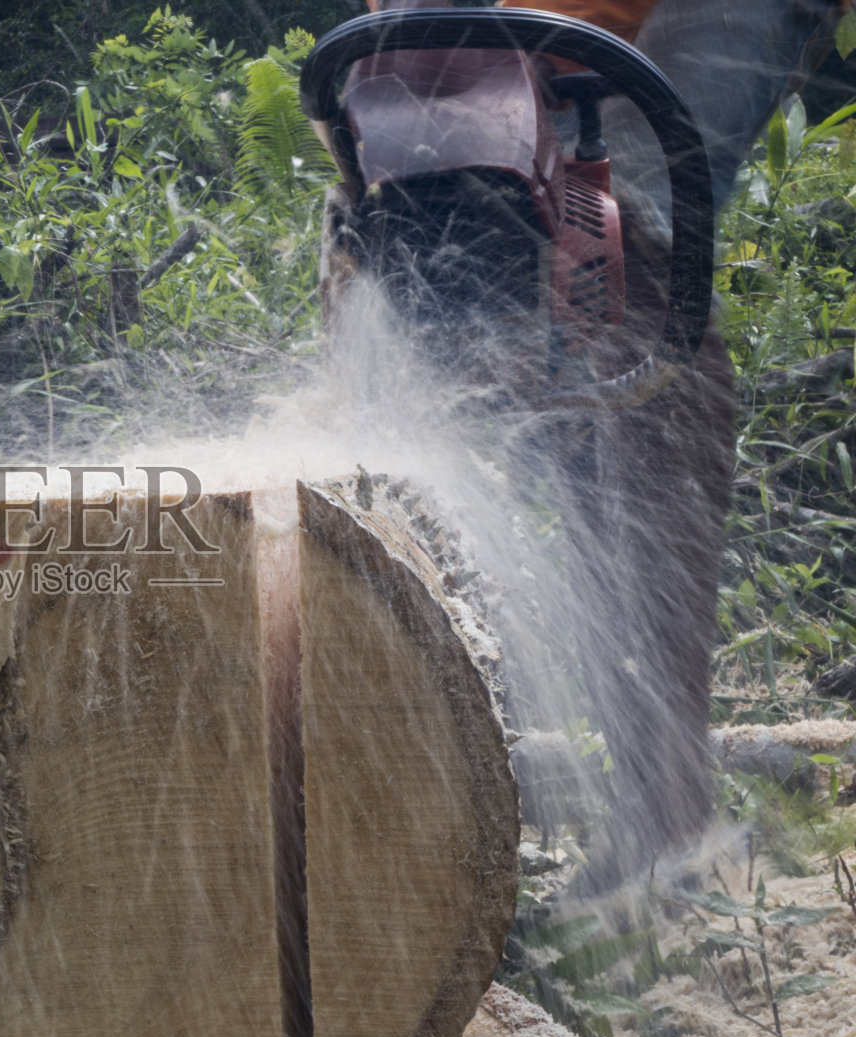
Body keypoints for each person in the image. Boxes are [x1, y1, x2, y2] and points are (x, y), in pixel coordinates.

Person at [350, 0, 846, 884]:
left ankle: (668, 808)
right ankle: (634, 777)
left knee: (634, 250)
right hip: (530, 18)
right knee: (563, 333)